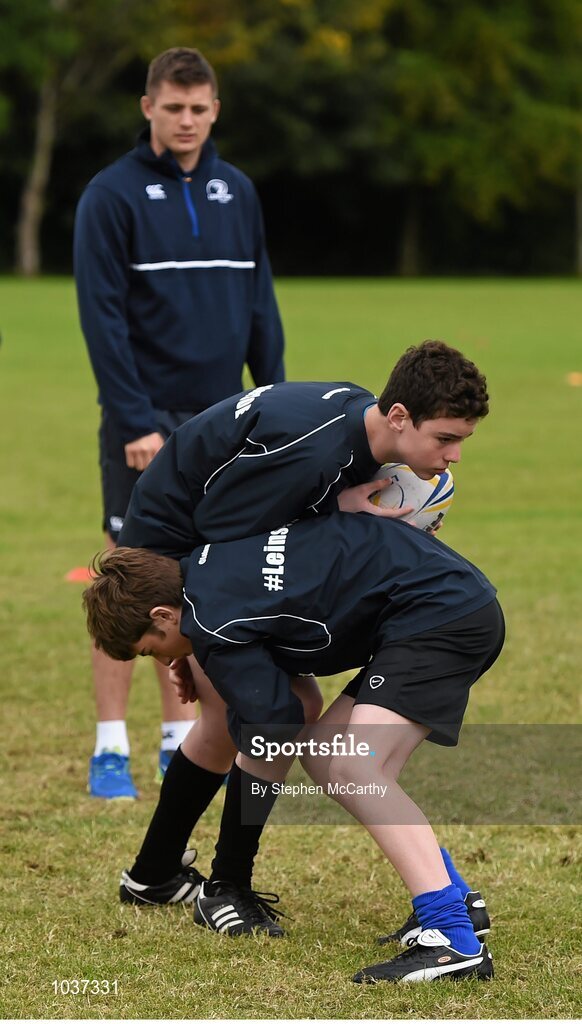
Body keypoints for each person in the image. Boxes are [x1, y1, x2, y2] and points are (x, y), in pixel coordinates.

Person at [83, 508, 504, 984]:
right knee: (325, 755)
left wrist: (235, 698)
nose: (162, 660)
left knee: (351, 767)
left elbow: (278, 719)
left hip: (439, 617)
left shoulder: (211, 621)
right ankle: (455, 899)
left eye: (151, 650)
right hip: (438, 606)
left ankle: (451, 937)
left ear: (162, 615)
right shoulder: (212, 565)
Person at [73, 46, 285, 798]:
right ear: (149, 108)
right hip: (144, 421)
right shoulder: (111, 195)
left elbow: (260, 302)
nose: (187, 120)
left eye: (199, 109)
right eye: (174, 108)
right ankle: (107, 749)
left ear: (215, 110)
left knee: (194, 583)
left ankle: (176, 740)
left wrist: (275, 400)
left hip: (223, 418)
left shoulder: (239, 192)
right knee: (129, 582)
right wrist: (134, 418)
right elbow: (101, 318)